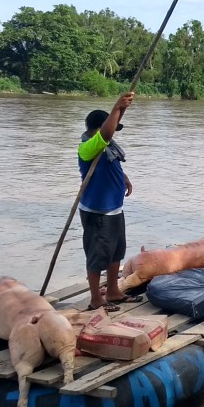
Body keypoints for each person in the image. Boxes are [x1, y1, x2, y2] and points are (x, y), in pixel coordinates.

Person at [78, 92, 143, 311]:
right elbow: (106, 134)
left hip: (114, 209)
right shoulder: (87, 147)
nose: (114, 133)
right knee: (98, 255)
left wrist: (123, 178)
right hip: (98, 212)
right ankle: (97, 298)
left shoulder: (107, 147)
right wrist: (117, 106)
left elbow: (111, 163)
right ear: (97, 129)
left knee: (116, 252)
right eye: (110, 127)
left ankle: (113, 291)